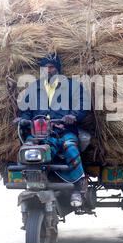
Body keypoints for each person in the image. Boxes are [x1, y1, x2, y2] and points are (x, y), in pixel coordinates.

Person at [13, 53, 89, 207]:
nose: (48, 70)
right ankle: (33, 183)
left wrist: (72, 116)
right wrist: (23, 119)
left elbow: (83, 105)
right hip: (39, 134)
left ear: (58, 69)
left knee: (69, 147)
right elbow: (26, 110)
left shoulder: (72, 86)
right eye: (45, 68)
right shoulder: (34, 88)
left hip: (64, 131)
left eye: (51, 67)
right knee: (28, 150)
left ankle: (77, 186)